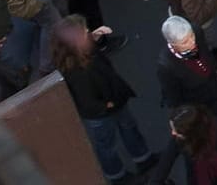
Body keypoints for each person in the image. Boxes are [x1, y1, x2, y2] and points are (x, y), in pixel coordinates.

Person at [52, 15, 154, 182]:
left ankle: (142, 159)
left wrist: (93, 38)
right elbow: (87, 102)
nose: (88, 31)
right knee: (107, 146)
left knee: (127, 128)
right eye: (84, 32)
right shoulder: (78, 72)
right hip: (102, 111)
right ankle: (118, 176)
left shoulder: (79, 53)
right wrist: (106, 106)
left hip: (113, 100)